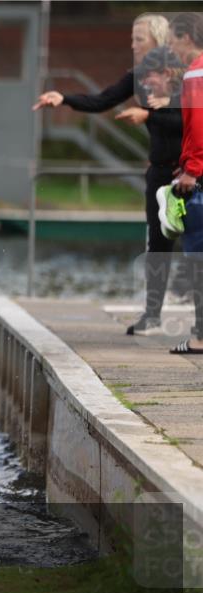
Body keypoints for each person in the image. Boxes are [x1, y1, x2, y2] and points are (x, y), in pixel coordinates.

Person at [33, 14, 183, 336]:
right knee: (157, 245)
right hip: (158, 172)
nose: (132, 44)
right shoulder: (139, 76)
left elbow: (186, 121)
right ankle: (153, 316)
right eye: (132, 38)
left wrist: (148, 116)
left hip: (189, 173)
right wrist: (64, 98)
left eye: (138, 38)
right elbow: (102, 100)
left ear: (157, 40)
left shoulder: (182, 75)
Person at [168, 12, 203, 354]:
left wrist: (190, 170)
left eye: (173, 40)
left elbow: (198, 127)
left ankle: (200, 337)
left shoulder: (196, 73)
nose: (171, 48)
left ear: (187, 37)